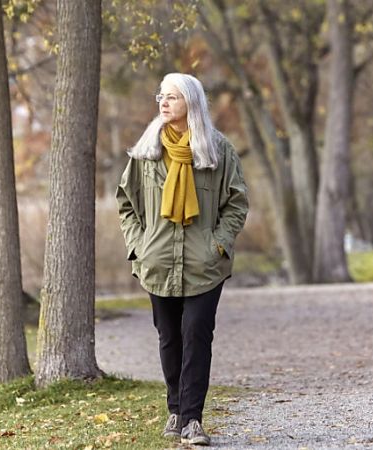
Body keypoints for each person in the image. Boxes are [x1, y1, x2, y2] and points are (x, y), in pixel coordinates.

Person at [116, 73, 249, 446]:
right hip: (157, 262)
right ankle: (174, 410)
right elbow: (126, 203)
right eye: (161, 95)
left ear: (191, 101)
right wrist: (138, 246)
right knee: (169, 338)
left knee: (196, 336)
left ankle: (192, 419)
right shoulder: (147, 152)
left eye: (172, 96)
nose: (164, 102)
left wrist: (218, 244)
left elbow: (236, 203)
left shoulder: (218, 150)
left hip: (204, 265)